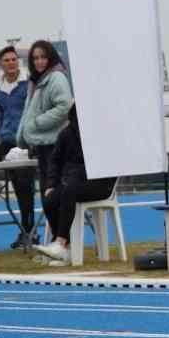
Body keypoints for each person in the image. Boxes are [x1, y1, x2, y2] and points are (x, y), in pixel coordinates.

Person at [32, 106, 117, 266]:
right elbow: (54, 161)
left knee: (68, 191)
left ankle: (60, 243)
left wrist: (73, 178)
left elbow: (106, 163)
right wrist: (51, 183)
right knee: (50, 198)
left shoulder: (103, 133)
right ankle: (66, 251)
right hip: (73, 182)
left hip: (101, 184)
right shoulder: (66, 134)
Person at [14, 39, 73, 210]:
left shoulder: (56, 78)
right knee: (48, 197)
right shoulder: (36, 81)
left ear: (51, 58)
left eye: (43, 57)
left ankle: (62, 236)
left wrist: (37, 123)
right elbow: (27, 112)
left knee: (53, 196)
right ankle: (58, 236)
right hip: (42, 145)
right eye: (35, 58)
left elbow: (64, 106)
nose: (39, 61)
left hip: (54, 145)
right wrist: (23, 135)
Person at [0, 45, 38, 248]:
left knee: (27, 188)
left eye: (13, 59)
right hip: (7, 143)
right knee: (19, 189)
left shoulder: (28, 84)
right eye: (6, 60)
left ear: (18, 61)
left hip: (25, 142)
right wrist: (0, 134)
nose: (11, 63)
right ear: (1, 64)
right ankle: (26, 231)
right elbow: (0, 114)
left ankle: (30, 232)